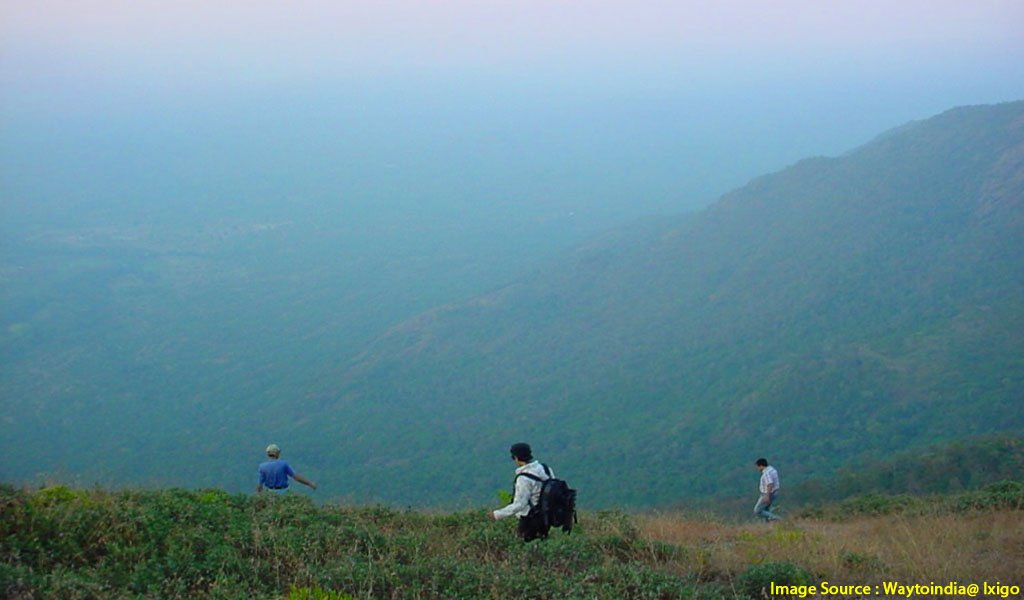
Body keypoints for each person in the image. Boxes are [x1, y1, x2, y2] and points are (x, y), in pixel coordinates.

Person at [490, 442, 553, 541]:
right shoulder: (545, 469)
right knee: (543, 543)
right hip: (546, 516)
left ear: (516, 457)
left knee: (525, 546)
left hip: (529, 519)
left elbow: (520, 504)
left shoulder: (523, 478)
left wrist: (497, 514)